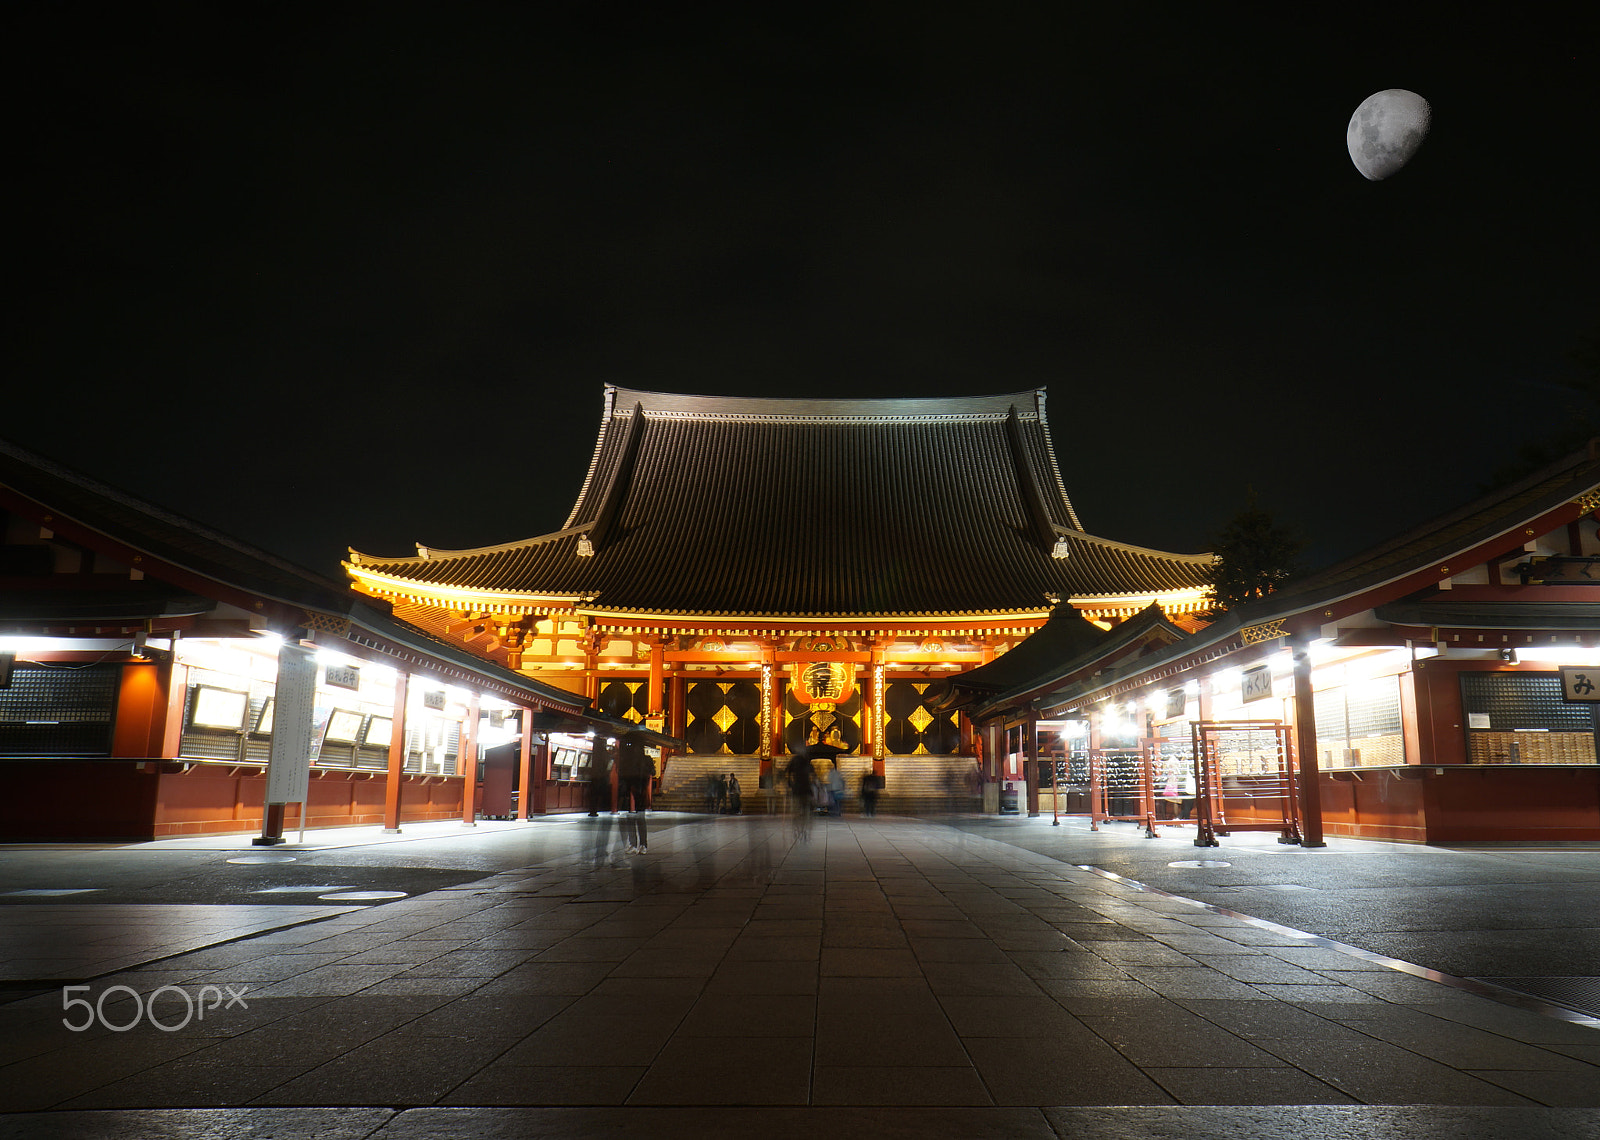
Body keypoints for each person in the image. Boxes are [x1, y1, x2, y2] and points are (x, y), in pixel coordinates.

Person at [616, 731, 652, 855]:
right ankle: (640, 844)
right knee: (637, 818)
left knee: (633, 818)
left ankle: (635, 843)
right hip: (635, 789)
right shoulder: (641, 760)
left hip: (633, 790)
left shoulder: (628, 761)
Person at [786, 749, 814, 841]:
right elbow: (813, 776)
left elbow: (787, 772)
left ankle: (798, 827)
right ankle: (804, 827)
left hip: (797, 790)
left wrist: (789, 784)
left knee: (797, 810)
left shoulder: (794, 763)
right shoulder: (807, 764)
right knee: (805, 810)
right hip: (806, 790)